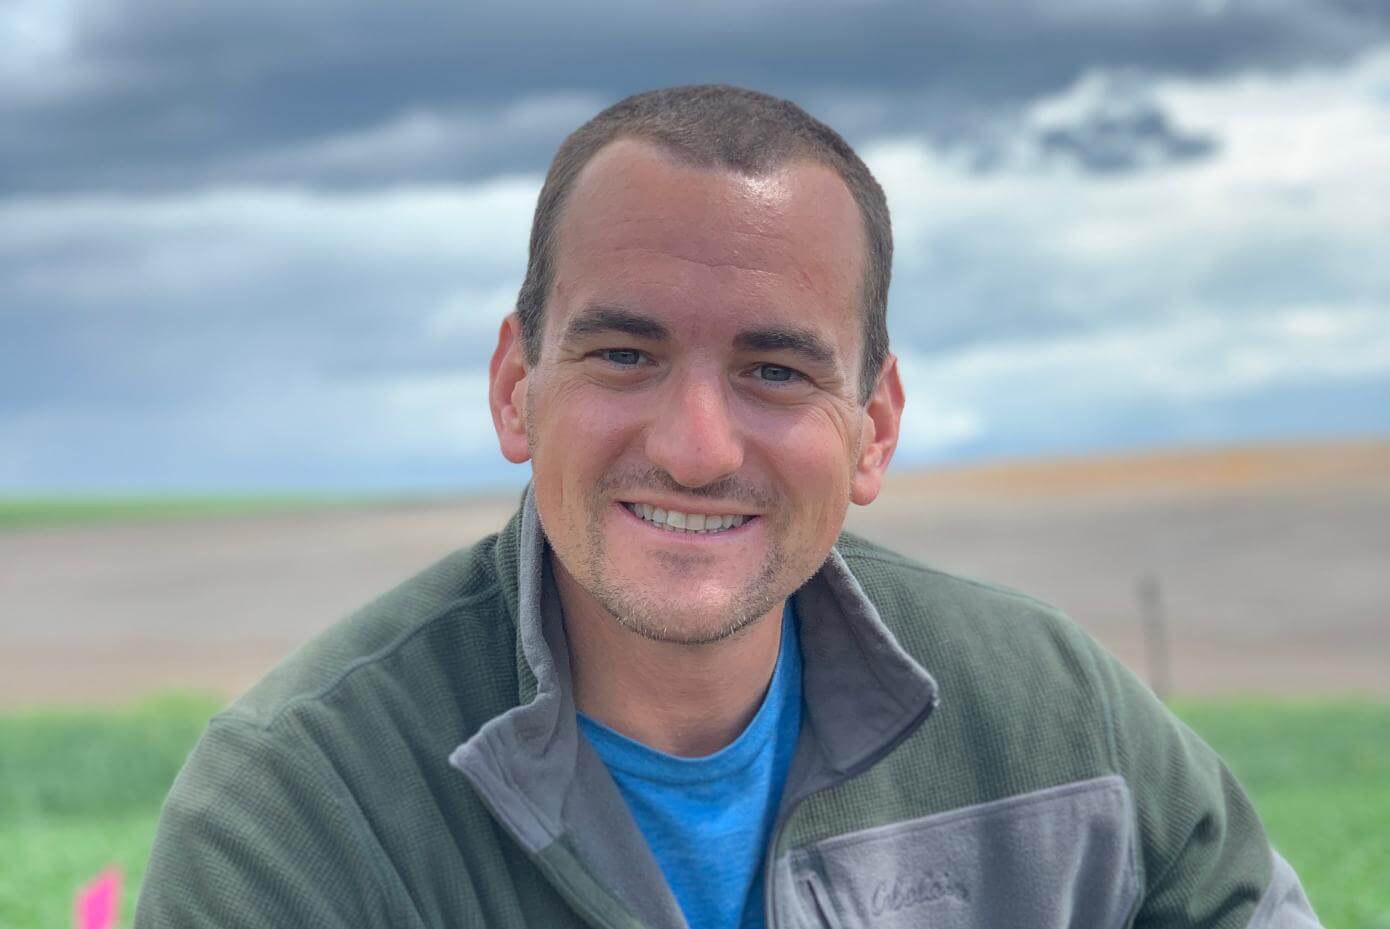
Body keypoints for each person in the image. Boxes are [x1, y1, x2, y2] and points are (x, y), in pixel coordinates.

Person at [135, 85, 1322, 929]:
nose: (696, 449)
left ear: (875, 425)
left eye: (775, 370)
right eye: (622, 355)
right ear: (514, 389)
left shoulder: (1053, 719)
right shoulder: (305, 804)